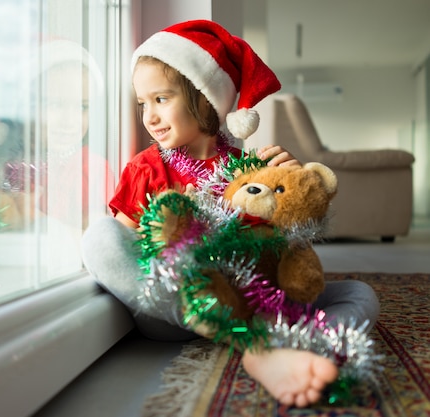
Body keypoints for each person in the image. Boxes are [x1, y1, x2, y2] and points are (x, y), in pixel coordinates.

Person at [81, 20, 380, 408]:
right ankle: (258, 348)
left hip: (253, 303)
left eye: (161, 99)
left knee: (360, 293)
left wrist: (291, 187)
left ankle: (295, 349)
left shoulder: (247, 169)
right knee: (99, 236)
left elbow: (287, 253)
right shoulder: (146, 168)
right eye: (142, 103)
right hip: (179, 312)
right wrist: (169, 224)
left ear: (204, 98)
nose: (149, 117)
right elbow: (124, 242)